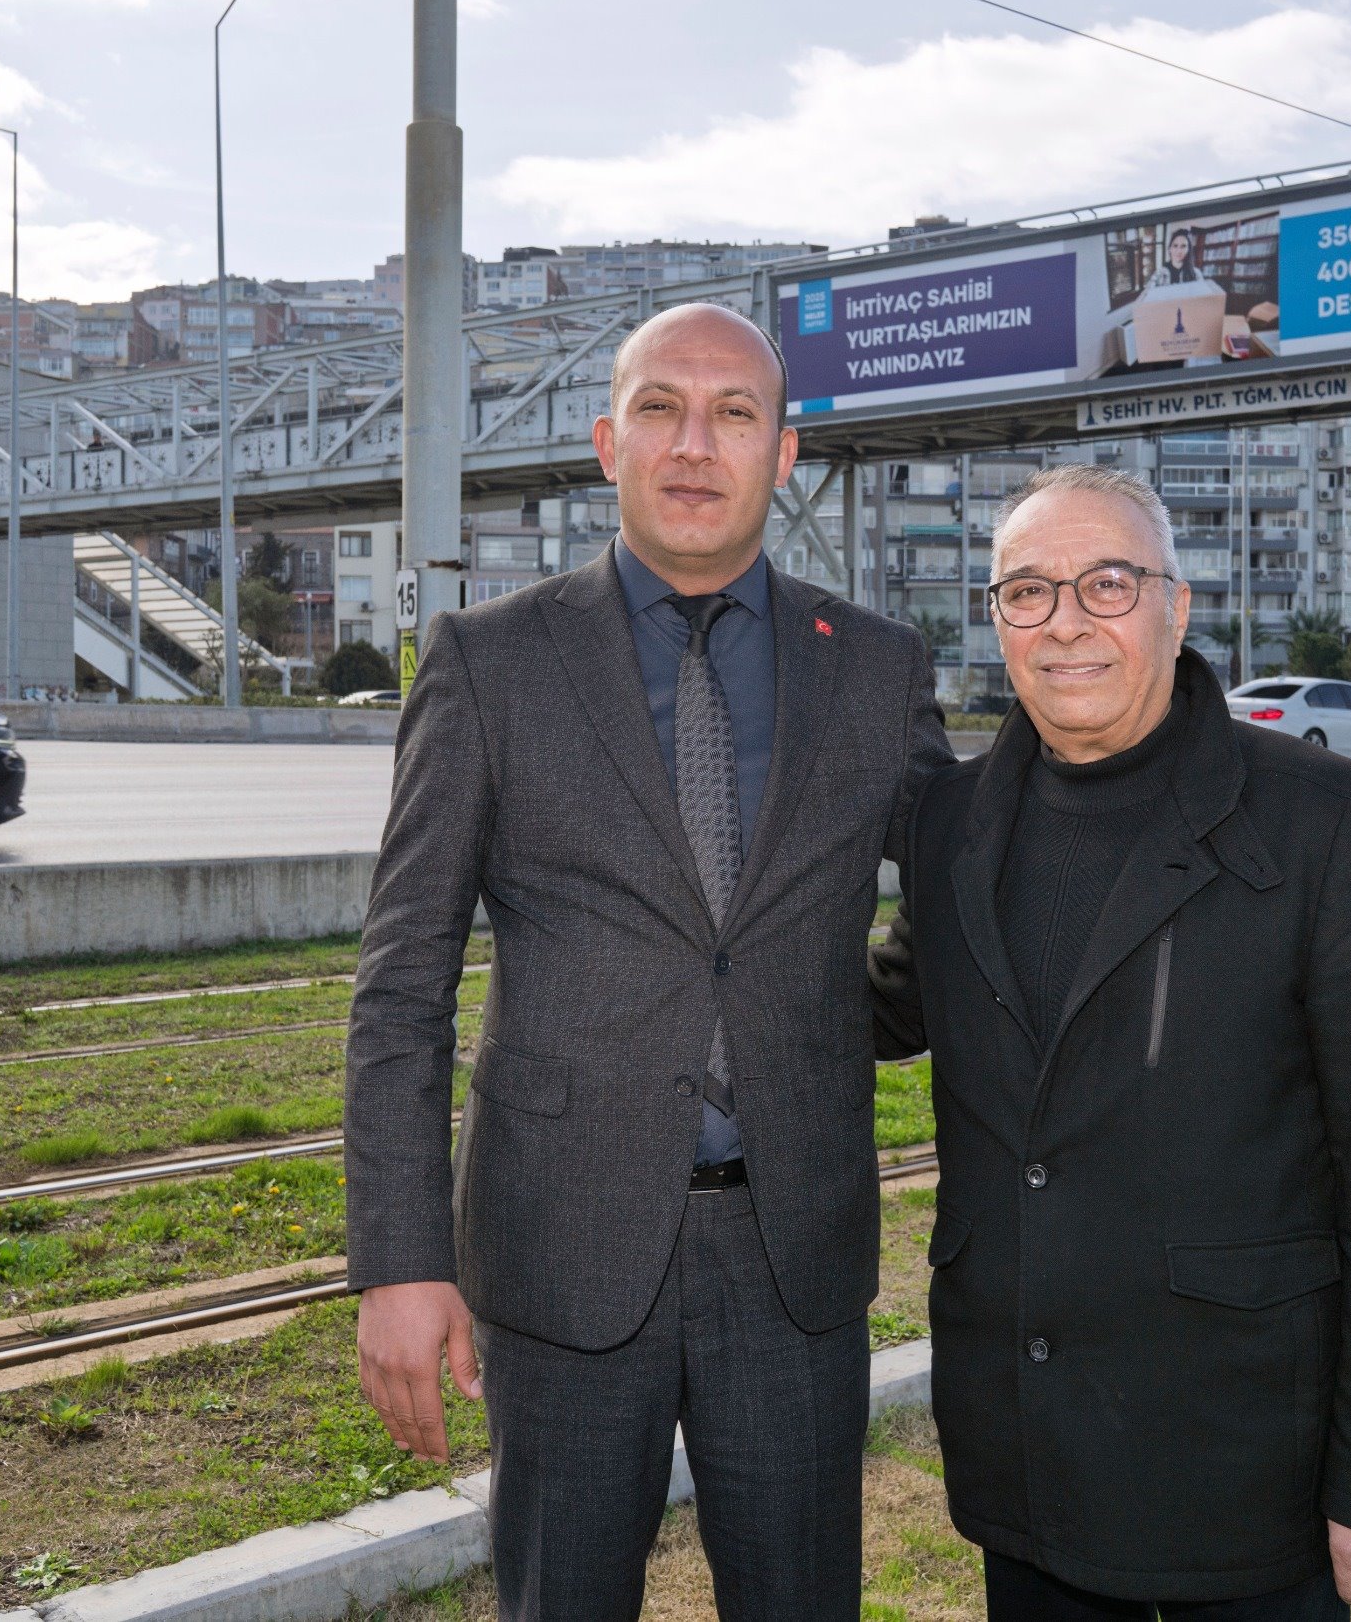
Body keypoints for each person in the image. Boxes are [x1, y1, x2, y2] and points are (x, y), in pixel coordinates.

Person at [343, 301, 951, 1620]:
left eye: (736, 412)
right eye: (663, 409)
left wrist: (837, 1019)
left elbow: (966, 913)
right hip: (559, 1251)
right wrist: (400, 1259)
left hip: (795, 1255)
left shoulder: (879, 669)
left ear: (785, 456)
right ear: (609, 441)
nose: (696, 443)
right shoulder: (487, 661)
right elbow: (405, 974)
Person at [872, 465, 1351, 1620]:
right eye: (1028, 592)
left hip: (1243, 1470)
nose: (1067, 623)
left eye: (1106, 582)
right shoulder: (948, 822)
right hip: (1024, 1457)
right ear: (995, 620)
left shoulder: (1331, 823)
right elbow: (883, 1004)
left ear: (1176, 606)